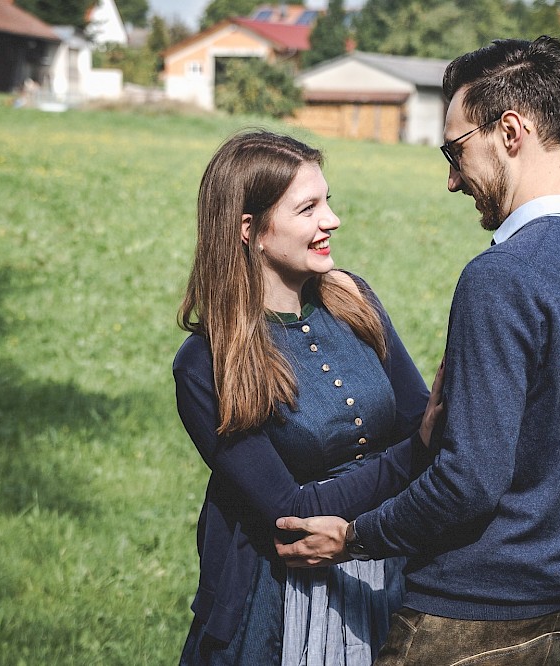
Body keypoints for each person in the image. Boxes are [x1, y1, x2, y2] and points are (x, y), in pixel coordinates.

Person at [275, 36, 560, 665]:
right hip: (553, 620)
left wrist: (353, 537)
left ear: (510, 131)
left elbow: (467, 481)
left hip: (455, 621)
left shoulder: (502, 277)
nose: (452, 180)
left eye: (456, 151)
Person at [173, 129, 438, 665]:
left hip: (387, 571)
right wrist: (416, 452)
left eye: (328, 202)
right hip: (272, 599)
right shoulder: (208, 362)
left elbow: (418, 416)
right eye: (307, 208)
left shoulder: (352, 297)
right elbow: (288, 513)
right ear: (251, 230)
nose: (331, 220)